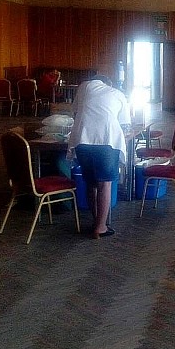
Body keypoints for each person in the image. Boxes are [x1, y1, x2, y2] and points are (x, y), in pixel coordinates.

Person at [67, 75, 131, 239]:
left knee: (91, 183)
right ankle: (101, 227)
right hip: (106, 141)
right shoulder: (117, 94)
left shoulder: (83, 87)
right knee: (105, 184)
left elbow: (75, 113)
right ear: (108, 84)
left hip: (82, 140)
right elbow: (124, 123)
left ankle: (96, 220)